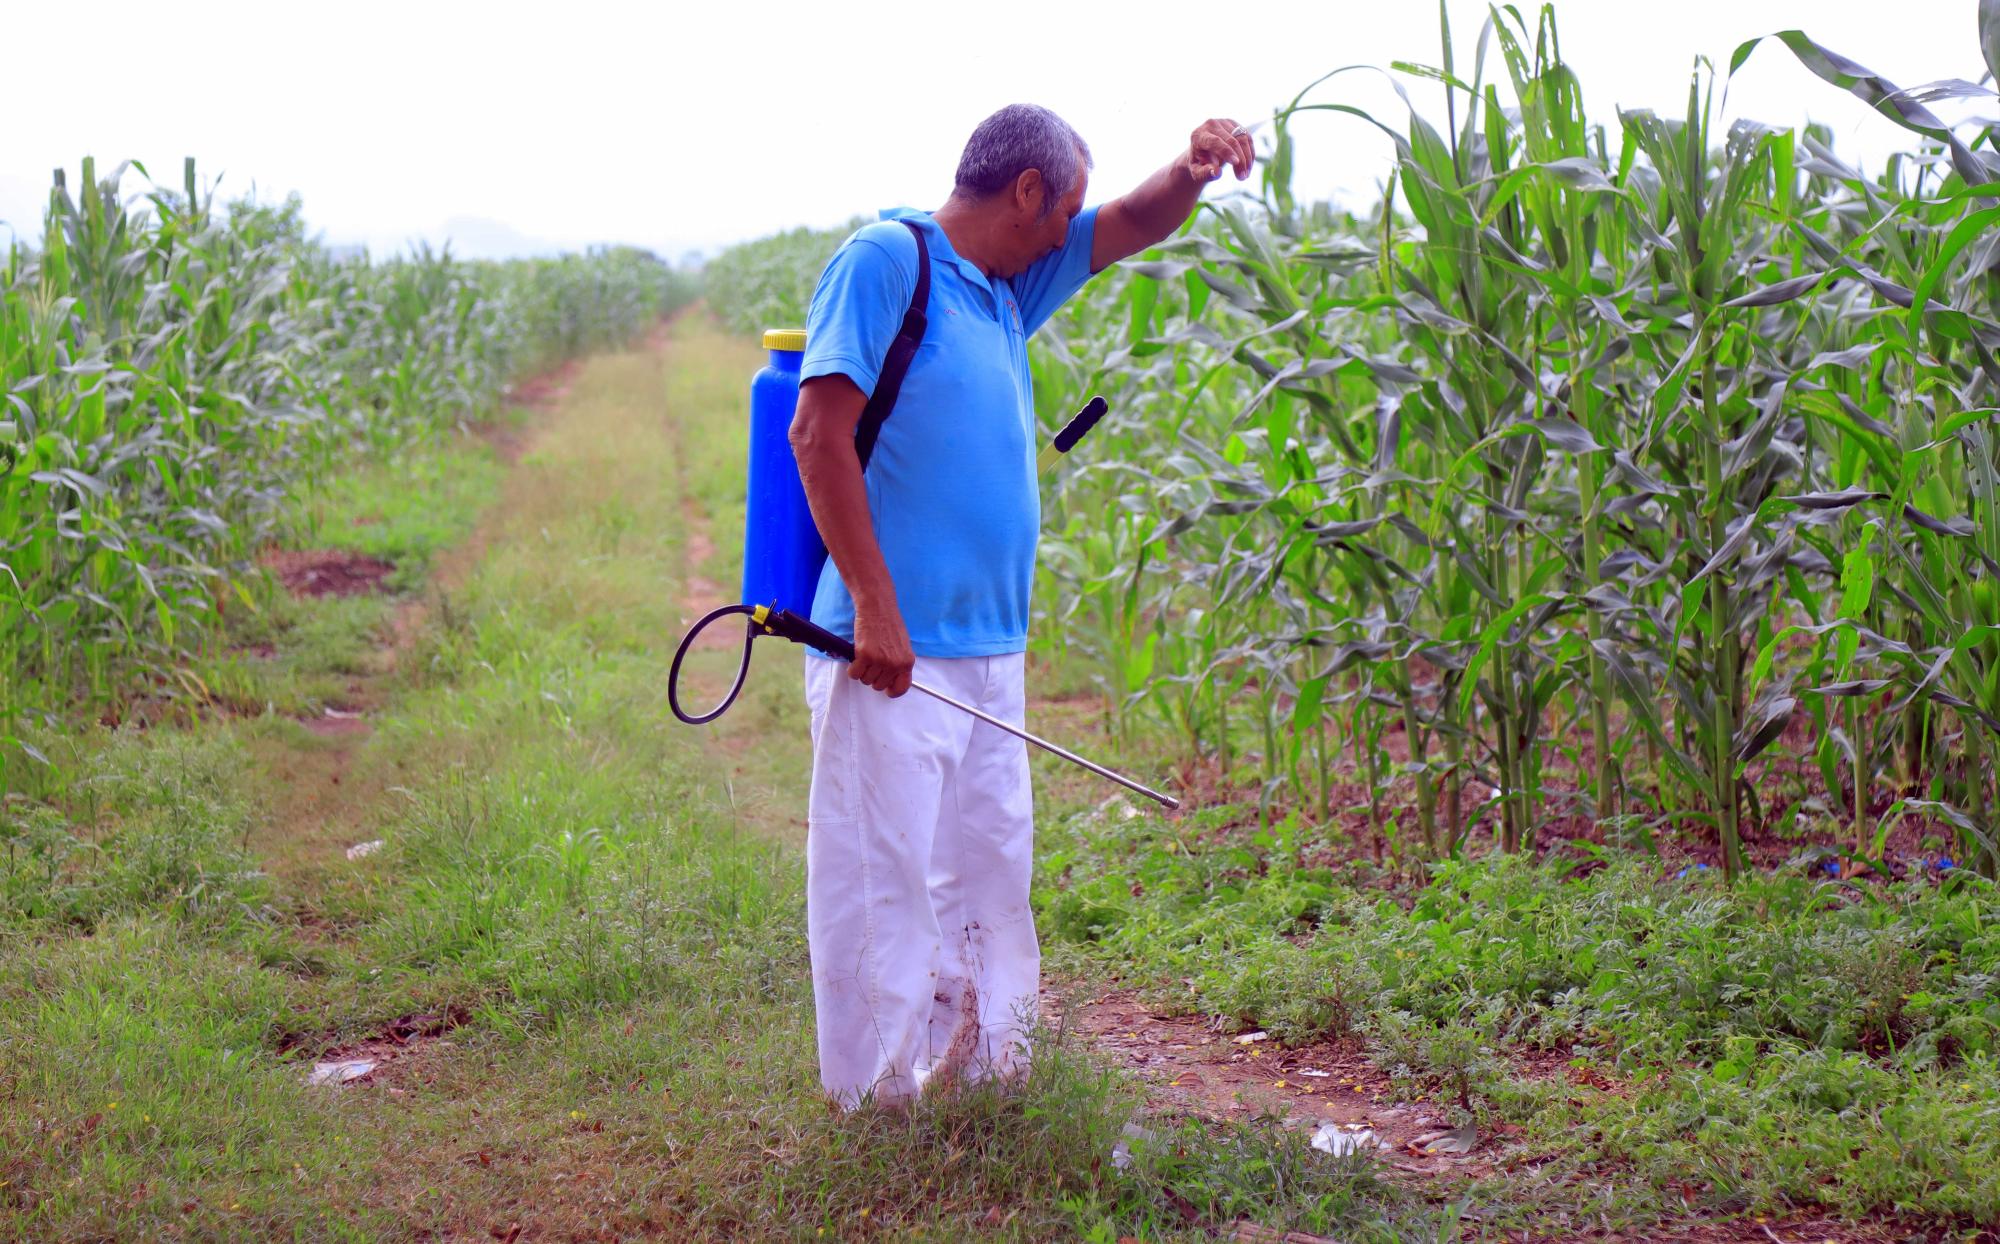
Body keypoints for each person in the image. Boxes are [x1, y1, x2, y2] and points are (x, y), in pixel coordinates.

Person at [789, 103, 1253, 1111]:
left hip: (991, 648)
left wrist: (1190, 168)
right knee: (880, 885)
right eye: (1062, 210)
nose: (1066, 235)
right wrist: (874, 607)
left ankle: (988, 1083)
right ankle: (873, 1107)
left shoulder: (1007, 286)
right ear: (1027, 190)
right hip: (891, 650)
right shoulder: (888, 263)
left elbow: (1132, 221)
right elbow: (817, 435)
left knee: (989, 876)